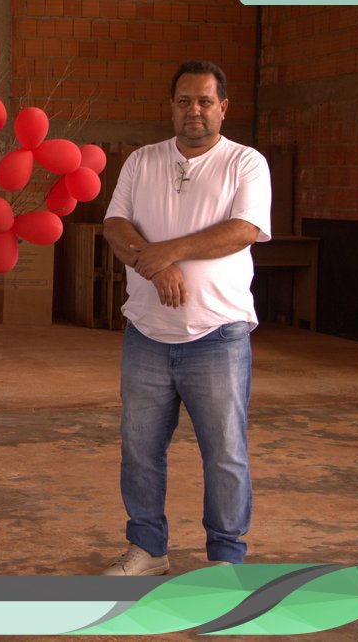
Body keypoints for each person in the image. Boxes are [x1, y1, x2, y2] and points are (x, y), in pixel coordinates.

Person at [101, 60, 271, 575]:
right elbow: (114, 225)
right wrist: (154, 267)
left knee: (224, 453)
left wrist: (167, 253)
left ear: (223, 107)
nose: (193, 110)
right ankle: (148, 550)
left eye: (204, 101)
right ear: (171, 107)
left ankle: (225, 559)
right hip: (147, 335)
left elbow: (244, 229)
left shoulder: (245, 163)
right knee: (140, 449)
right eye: (183, 101)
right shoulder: (142, 161)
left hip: (218, 335)